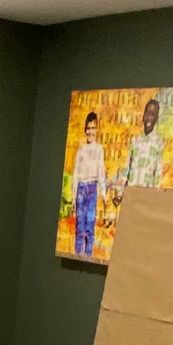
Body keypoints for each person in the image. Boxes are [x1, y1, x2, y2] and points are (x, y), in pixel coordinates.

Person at [71, 110, 106, 257]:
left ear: (96, 129)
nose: (90, 131)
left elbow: (101, 172)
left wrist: (103, 193)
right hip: (81, 189)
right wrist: (73, 196)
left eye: (93, 128)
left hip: (92, 189)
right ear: (85, 129)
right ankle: (78, 255)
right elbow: (76, 173)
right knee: (80, 227)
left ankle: (88, 256)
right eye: (88, 128)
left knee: (90, 226)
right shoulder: (81, 150)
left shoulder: (99, 149)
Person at [122, 95, 168, 193]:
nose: (150, 116)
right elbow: (126, 167)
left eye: (153, 114)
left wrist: (154, 195)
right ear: (143, 115)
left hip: (147, 194)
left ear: (156, 118)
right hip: (131, 191)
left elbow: (158, 172)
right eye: (148, 112)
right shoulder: (135, 141)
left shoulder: (158, 143)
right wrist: (121, 191)